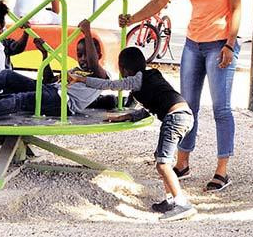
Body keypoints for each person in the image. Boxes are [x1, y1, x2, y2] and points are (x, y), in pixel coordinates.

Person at [118, 0, 242, 192]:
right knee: (188, 106)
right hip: (193, 43)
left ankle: (222, 169)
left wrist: (230, 45)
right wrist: (132, 19)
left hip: (220, 41)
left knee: (221, 108)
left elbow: (236, 7)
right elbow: (160, 1)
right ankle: (183, 162)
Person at [68, 47, 196, 221]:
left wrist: (81, 79)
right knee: (160, 157)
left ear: (124, 69)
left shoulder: (136, 80)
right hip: (183, 115)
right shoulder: (152, 76)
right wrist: (127, 116)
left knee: (163, 164)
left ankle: (182, 204)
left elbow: (109, 85)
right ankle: (171, 200)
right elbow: (152, 107)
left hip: (175, 118)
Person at [0, 20, 109, 120]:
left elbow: (94, 63)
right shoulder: (75, 70)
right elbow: (48, 81)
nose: (83, 59)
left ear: (98, 55)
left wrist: (87, 32)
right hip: (51, 91)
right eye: (79, 55)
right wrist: (44, 54)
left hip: (64, 104)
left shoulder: (102, 76)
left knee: (21, 99)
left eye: (86, 55)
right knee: (7, 76)